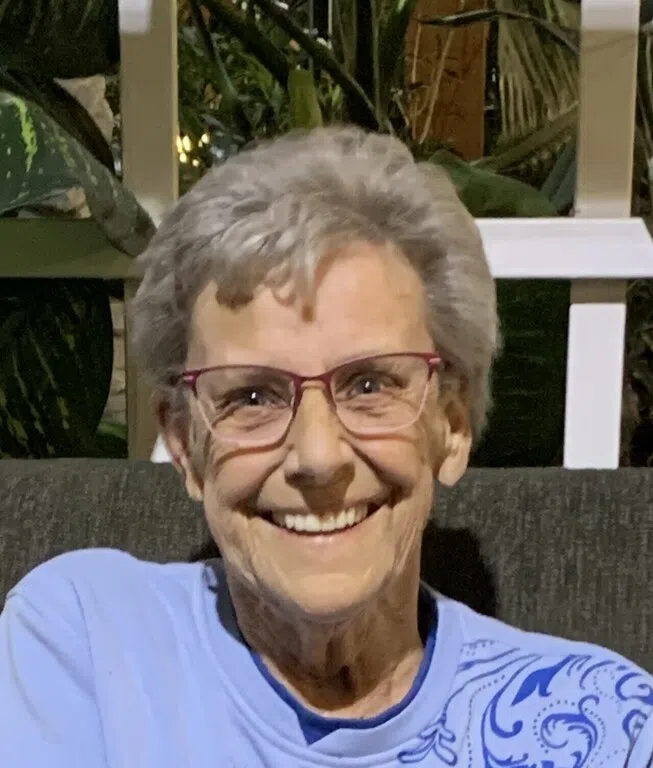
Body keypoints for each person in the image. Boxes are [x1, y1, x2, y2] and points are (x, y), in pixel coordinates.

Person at [1, 126, 652, 768]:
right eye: (252, 397)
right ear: (183, 442)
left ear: (451, 426)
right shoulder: (87, 644)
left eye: (370, 385)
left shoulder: (601, 725)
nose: (317, 457)